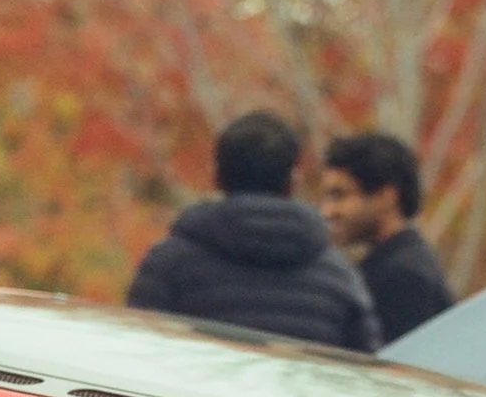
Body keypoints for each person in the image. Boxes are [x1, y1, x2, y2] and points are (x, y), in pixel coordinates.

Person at [128, 111, 379, 351]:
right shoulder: (338, 278)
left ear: (217, 176)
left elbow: (135, 348)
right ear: (292, 181)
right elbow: (362, 376)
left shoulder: (168, 265)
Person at [319, 131, 455, 344]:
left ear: (386, 196)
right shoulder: (398, 264)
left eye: (340, 196)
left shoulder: (405, 278)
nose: (327, 211)